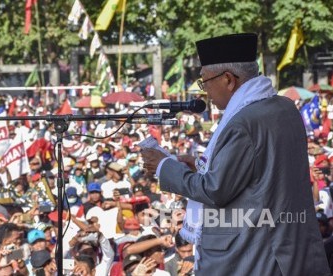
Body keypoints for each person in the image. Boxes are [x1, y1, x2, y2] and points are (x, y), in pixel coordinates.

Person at [141, 33, 330, 275]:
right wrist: (200, 167)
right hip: (294, 247)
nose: (204, 91)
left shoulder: (243, 123)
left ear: (228, 79)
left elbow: (214, 189)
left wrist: (164, 166)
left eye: (204, 82)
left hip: (259, 255)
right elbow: (259, 175)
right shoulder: (284, 108)